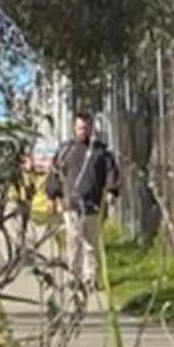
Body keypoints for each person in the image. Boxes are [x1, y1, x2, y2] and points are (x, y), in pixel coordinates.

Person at [44, 112, 120, 301]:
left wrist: (112, 191)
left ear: (91, 128)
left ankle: (90, 279)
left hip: (92, 206)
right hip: (72, 207)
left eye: (86, 128)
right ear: (74, 129)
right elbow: (55, 173)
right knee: (74, 245)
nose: (83, 131)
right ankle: (74, 277)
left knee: (91, 245)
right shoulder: (66, 151)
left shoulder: (100, 152)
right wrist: (52, 196)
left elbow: (111, 172)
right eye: (79, 128)